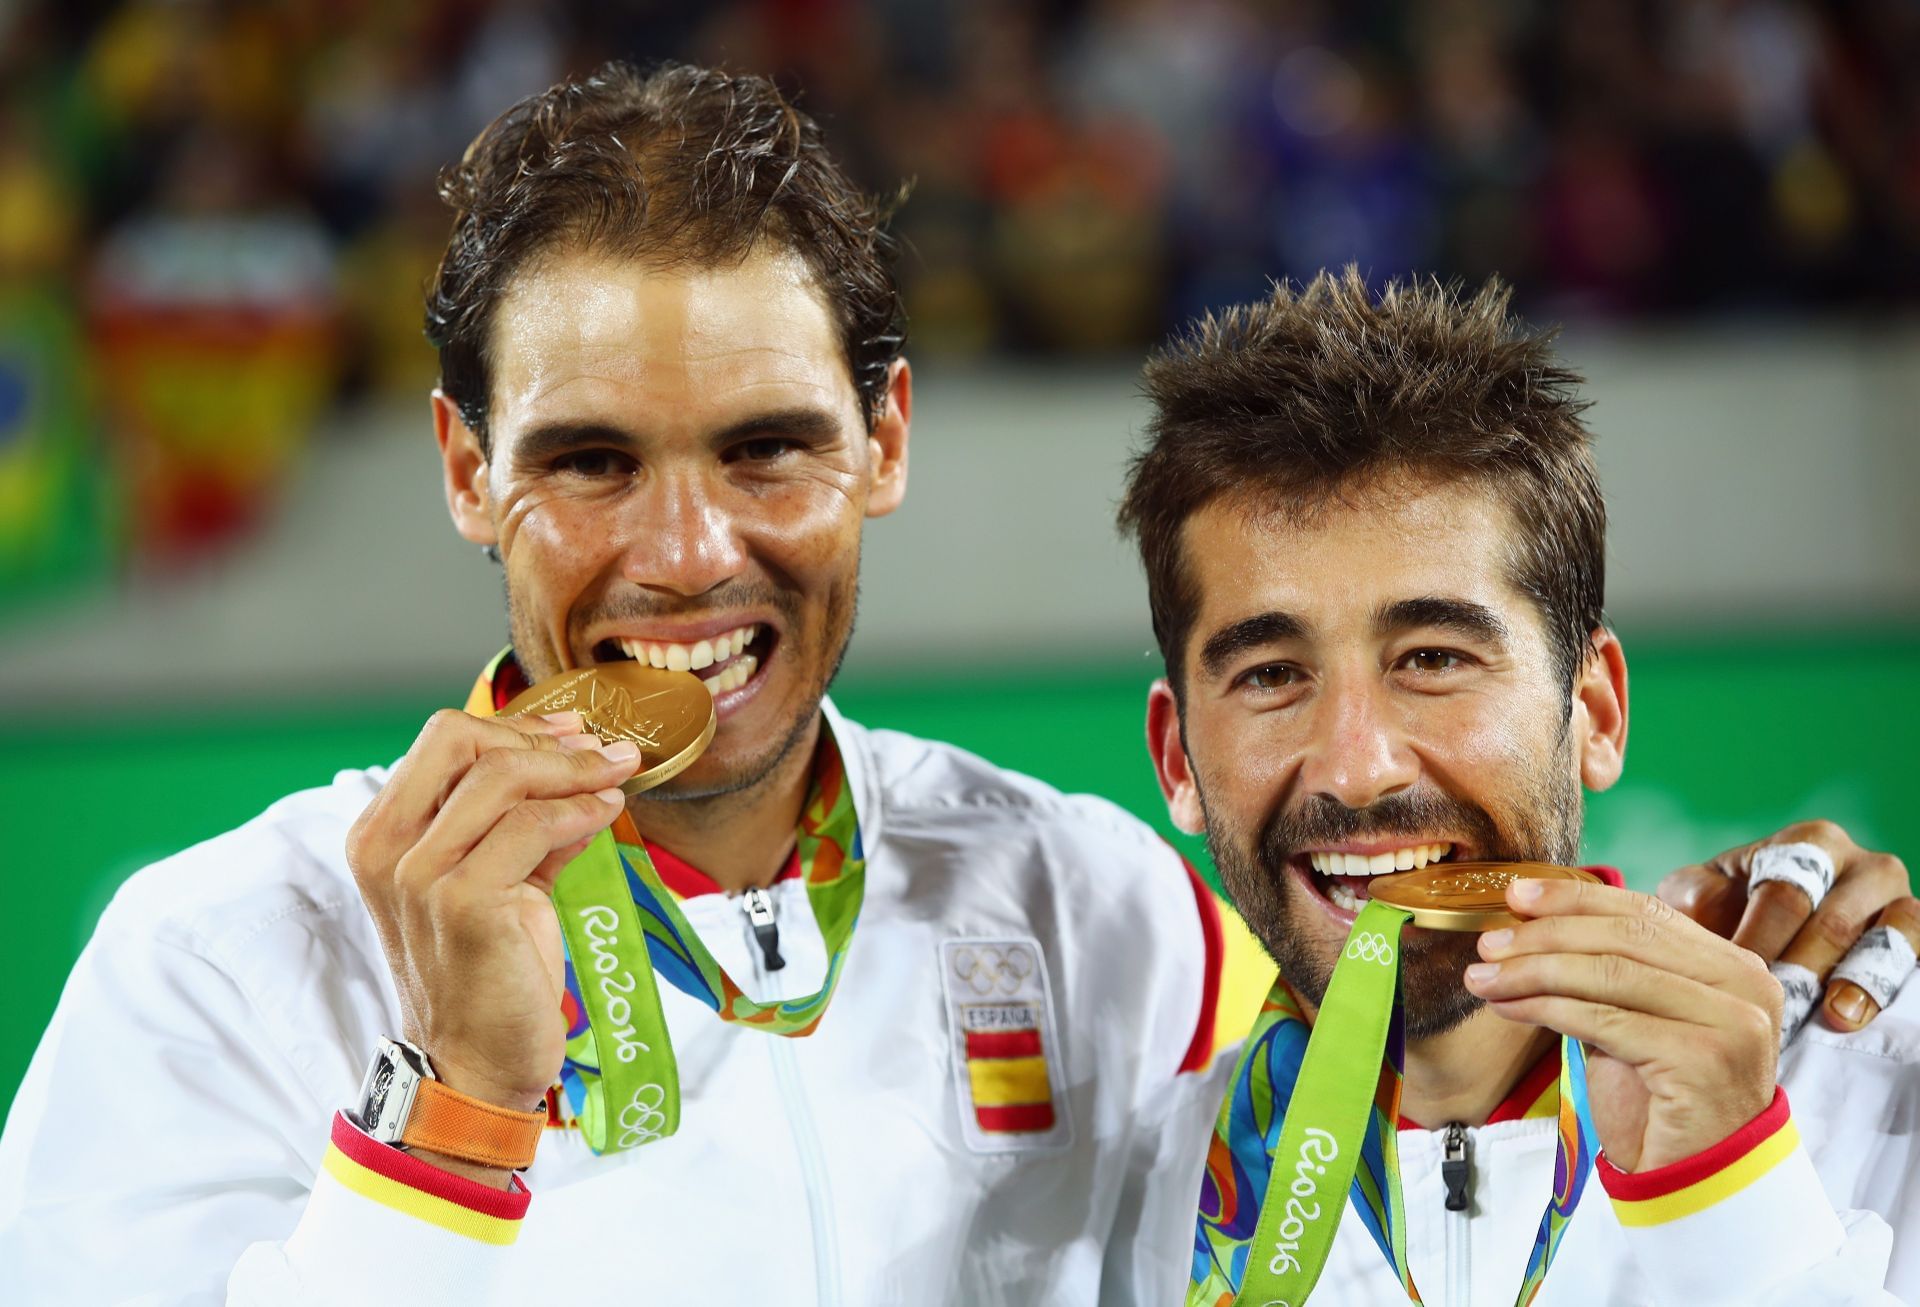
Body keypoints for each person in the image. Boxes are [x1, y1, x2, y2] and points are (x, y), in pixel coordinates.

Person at [0, 64, 1905, 1306]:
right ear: (461, 468)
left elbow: (1423, 1079)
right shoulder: (222, 961)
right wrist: (454, 1127)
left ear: (886, 438)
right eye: (588, 460)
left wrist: (1797, 966)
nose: (683, 553)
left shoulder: (1089, 908)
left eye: (766, 446)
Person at [1117, 268, 1920, 1304]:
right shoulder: (1115, 1202)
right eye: (1272, 675)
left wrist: (1726, 1190)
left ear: (1594, 710)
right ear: (1178, 758)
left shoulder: (1884, 1087)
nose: (1361, 766)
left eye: (1436, 656)